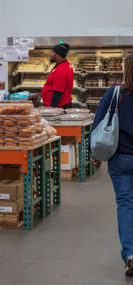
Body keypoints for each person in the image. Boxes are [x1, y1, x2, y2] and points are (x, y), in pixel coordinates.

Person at [91, 54, 133, 275]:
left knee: (126, 204)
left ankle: (130, 254)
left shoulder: (114, 94)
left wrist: (94, 153)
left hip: (120, 158)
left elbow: (98, 123)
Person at [41, 42, 74, 108]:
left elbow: (57, 93)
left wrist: (52, 109)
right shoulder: (63, 65)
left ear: (58, 55)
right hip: (59, 104)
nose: (50, 54)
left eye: (52, 52)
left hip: (59, 107)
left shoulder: (61, 70)